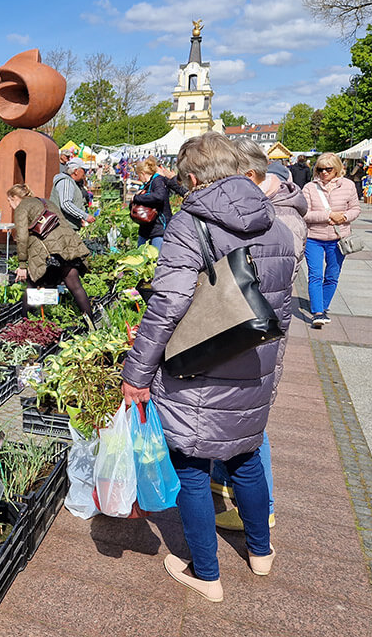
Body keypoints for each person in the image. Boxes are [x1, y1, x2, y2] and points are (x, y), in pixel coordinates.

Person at [121, 132, 296, 602]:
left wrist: (136, 374)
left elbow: (168, 305)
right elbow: (279, 305)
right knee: (245, 457)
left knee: (194, 471)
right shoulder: (277, 223)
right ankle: (261, 553)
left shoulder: (190, 224)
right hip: (254, 364)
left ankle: (207, 573)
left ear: (193, 178)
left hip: (200, 367)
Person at [213, 139, 309, 532]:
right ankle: (230, 501)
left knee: (251, 430)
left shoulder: (281, 218)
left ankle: (261, 512)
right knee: (231, 422)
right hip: (243, 335)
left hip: (255, 340)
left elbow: (265, 283)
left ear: (250, 177)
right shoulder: (265, 212)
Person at [7, 184, 93, 319]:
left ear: (14, 198)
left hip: (47, 252)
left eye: (9, 201)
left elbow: (22, 237)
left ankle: (24, 322)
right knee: (75, 286)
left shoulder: (22, 207)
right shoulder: (47, 202)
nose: (9, 205)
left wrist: (22, 264)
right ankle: (91, 324)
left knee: (32, 286)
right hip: (68, 247)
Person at [302, 152, 359, 329]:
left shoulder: (348, 186)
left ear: (337, 169)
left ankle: (323, 306)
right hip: (314, 238)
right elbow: (304, 213)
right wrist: (328, 215)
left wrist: (344, 216)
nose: (324, 173)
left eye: (329, 169)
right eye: (320, 169)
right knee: (315, 275)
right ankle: (318, 312)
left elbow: (355, 208)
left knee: (333, 275)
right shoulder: (310, 187)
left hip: (338, 238)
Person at [129, 157, 172, 250]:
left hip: (158, 228)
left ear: (143, 173)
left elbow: (159, 196)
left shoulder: (158, 181)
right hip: (146, 228)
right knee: (140, 254)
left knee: (156, 258)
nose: (139, 178)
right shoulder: (147, 184)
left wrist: (137, 198)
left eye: (138, 175)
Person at [50, 158, 95, 231]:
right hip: (63, 227)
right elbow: (66, 204)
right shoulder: (66, 182)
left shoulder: (71, 182)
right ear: (76, 171)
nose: (85, 173)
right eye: (83, 170)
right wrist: (84, 216)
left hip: (66, 226)